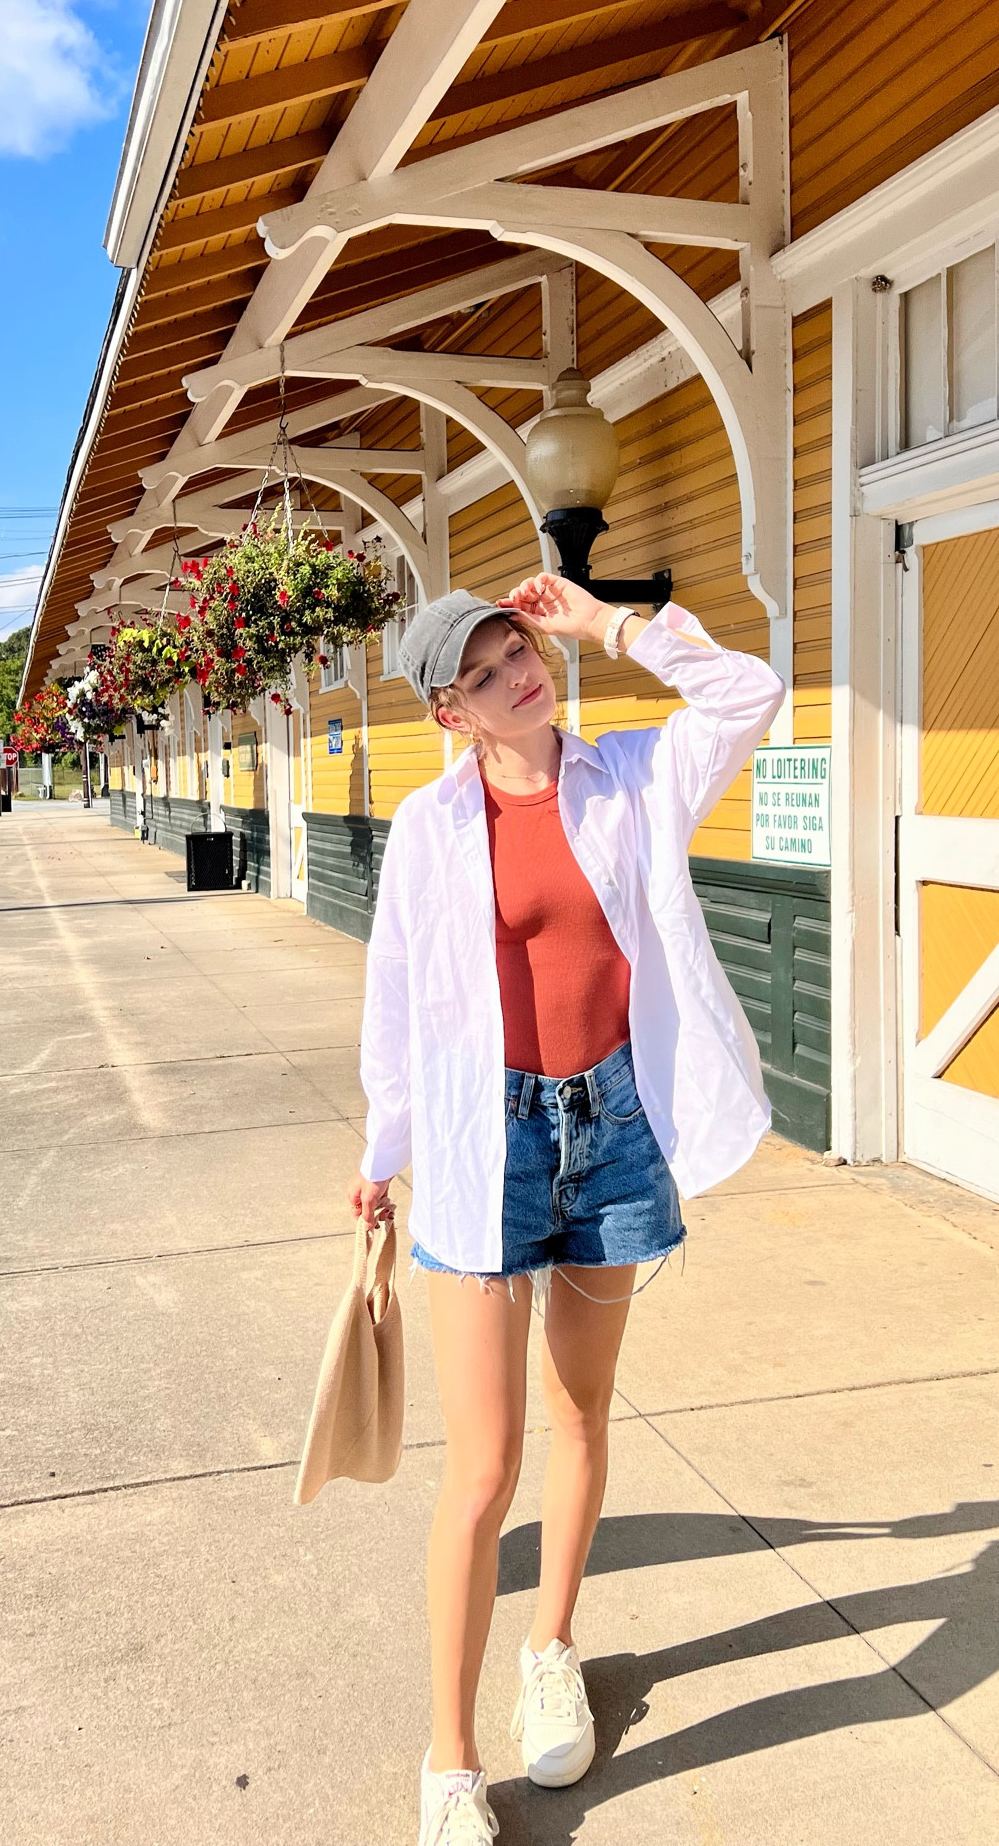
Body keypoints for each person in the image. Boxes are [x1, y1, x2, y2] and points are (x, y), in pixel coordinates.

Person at [351, 572, 785, 1846]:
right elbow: (398, 995)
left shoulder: (638, 777)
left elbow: (748, 690)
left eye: (520, 650)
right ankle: (448, 1759)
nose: (518, 677)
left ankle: (552, 1645)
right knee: (482, 1467)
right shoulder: (429, 829)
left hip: (615, 1131)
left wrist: (613, 624)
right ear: (451, 712)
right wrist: (382, 1150)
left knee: (580, 1412)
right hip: (489, 1139)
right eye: (484, 674)